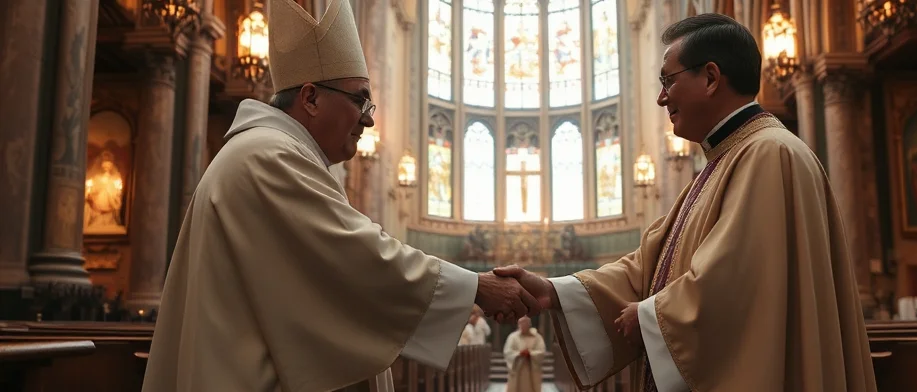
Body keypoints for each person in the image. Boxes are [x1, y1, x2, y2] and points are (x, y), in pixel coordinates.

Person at [141, 1, 539, 391]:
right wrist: (475, 287)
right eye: (360, 100)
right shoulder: (268, 156)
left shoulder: (273, 152)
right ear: (310, 98)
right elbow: (357, 256)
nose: (368, 118)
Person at [496, 13, 877, 392]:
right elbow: (648, 267)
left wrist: (651, 316)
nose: (662, 97)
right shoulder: (725, 160)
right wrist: (551, 290)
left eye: (668, 81)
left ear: (710, 78)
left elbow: (737, 281)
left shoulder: (768, 153)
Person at [502, 317, 546, 392]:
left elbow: (541, 352)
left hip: (531, 368)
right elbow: (507, 351)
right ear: (518, 325)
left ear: (529, 325)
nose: (523, 325)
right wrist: (519, 353)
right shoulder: (513, 337)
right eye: (521, 324)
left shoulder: (537, 337)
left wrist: (530, 353)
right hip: (517, 368)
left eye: (525, 324)